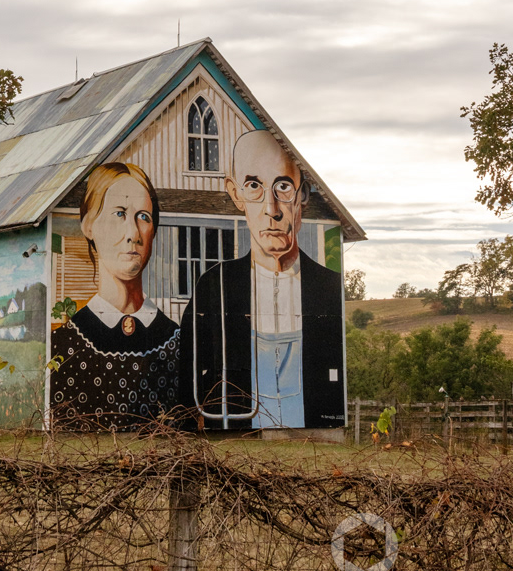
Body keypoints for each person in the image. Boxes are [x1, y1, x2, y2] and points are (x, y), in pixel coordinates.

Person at [178, 129, 344, 431]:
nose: (271, 209)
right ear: (235, 193)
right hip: (233, 450)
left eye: (283, 186)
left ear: (303, 194)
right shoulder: (214, 288)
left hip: (313, 451)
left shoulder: (329, 290)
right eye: (254, 185)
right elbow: (186, 386)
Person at [50, 161, 178, 429]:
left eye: (144, 217)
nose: (133, 234)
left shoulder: (178, 343)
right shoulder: (62, 347)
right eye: (119, 214)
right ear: (89, 226)